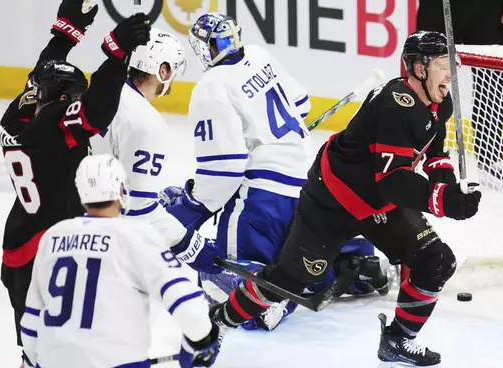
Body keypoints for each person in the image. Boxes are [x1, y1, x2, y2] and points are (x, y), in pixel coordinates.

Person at [209, 31, 482, 368]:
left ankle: (397, 343)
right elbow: (394, 181)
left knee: (435, 259)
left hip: (378, 203)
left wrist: (449, 189)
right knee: (288, 281)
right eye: (444, 66)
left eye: (452, 67)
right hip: (333, 200)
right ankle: (219, 320)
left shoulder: (439, 101)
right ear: (418, 67)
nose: (450, 76)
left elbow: (436, 154)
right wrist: (444, 202)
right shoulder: (396, 104)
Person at [159, 12, 387, 331]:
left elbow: (224, 170)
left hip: (265, 198)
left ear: (204, 49)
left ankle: (274, 302)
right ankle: (354, 262)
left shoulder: (211, 87)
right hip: (313, 180)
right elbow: (302, 104)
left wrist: (191, 204)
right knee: (299, 252)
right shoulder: (259, 55)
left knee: (215, 278)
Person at [0, 0, 150, 368]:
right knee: (61, 325)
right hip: (48, 246)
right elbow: (96, 111)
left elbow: (44, 72)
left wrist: (66, 31)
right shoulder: (50, 126)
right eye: (70, 93)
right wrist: (116, 57)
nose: (74, 98)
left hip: (19, 241)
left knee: (33, 324)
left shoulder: (21, 111)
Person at [19, 154, 221, 368]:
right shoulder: (138, 236)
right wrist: (201, 341)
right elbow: (188, 304)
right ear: (122, 192)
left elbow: (31, 320)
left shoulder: (53, 237)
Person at [89, 27, 221, 276]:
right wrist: (190, 245)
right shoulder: (146, 123)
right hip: (110, 248)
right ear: (163, 70)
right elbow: (138, 211)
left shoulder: (101, 96)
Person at [413, 0, 503, 190]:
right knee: (427, 76)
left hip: (484, 8)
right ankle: (415, 154)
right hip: (437, 5)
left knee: (491, 78)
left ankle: (490, 159)